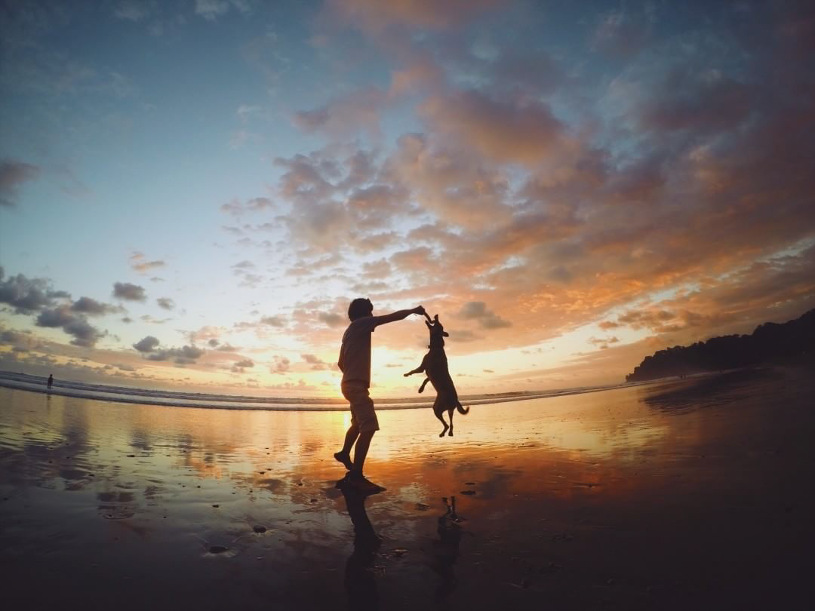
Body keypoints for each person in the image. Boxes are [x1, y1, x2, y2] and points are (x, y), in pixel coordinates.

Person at [335, 298, 425, 494]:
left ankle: (343, 453)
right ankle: (356, 477)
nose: (373, 316)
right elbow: (391, 318)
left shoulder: (348, 332)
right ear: (364, 313)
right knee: (369, 427)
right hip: (356, 386)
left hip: (348, 384)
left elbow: (340, 363)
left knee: (358, 424)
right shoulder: (361, 323)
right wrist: (412, 310)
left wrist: (351, 375)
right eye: (371, 312)